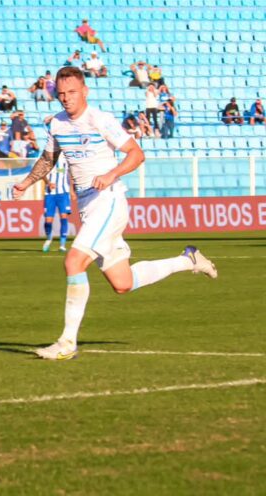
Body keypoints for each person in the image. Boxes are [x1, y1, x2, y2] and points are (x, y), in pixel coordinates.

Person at [12, 67, 217, 361]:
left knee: (73, 262)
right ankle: (188, 260)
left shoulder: (100, 120)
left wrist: (111, 174)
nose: (66, 99)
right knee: (123, 283)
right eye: (61, 94)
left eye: (71, 92)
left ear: (85, 91)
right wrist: (26, 182)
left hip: (108, 201)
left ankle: (67, 342)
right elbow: (48, 158)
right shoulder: (57, 125)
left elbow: (136, 153)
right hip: (88, 207)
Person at [42, 154, 72, 253]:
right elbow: (42, 174)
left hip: (63, 193)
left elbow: (70, 174)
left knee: (64, 217)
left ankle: (62, 245)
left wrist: (71, 190)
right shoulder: (47, 158)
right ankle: (49, 239)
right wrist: (48, 183)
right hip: (50, 194)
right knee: (48, 220)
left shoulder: (66, 157)